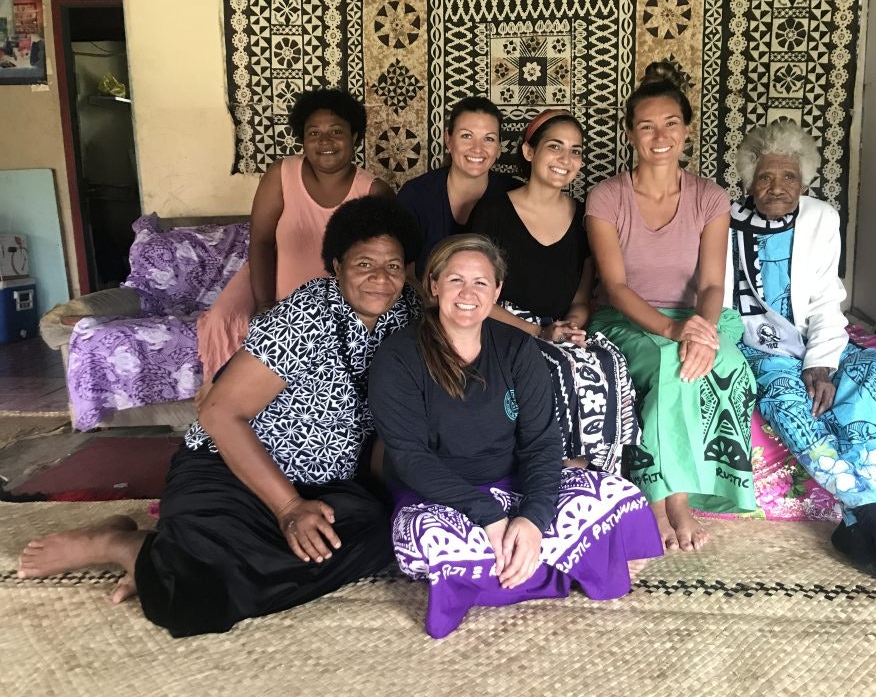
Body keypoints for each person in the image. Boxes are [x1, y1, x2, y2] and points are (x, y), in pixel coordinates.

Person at [18, 197, 423, 637]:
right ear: (336, 264)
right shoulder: (306, 315)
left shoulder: (405, 316)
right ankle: (125, 544)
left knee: (386, 536)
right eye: (365, 264)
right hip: (232, 471)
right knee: (193, 601)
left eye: (394, 266)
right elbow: (219, 413)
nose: (381, 278)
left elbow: (470, 316)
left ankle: (175, 555)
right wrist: (288, 507)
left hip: (329, 484)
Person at [367, 234, 663, 639]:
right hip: (437, 495)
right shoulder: (398, 356)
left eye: (481, 283)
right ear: (434, 285)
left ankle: (525, 564)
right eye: (455, 280)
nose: (468, 293)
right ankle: (569, 568)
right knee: (439, 545)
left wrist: (533, 519)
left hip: (513, 483)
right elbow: (408, 457)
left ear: (497, 292)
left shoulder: (517, 348)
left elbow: (542, 441)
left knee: (617, 495)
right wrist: (488, 516)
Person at [728, 119, 876, 582]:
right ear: (749, 180)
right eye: (765, 176)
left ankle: (855, 524)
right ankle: (870, 511)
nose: (777, 187)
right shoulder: (724, 221)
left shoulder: (821, 217)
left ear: (804, 181)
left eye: (789, 177)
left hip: (814, 340)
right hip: (760, 346)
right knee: (786, 402)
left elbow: (825, 297)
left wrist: (821, 363)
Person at [586, 61, 757, 553]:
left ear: (687, 130)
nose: (659, 136)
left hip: (698, 314)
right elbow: (615, 286)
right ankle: (666, 498)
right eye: (646, 126)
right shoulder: (607, 197)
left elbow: (710, 281)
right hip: (627, 317)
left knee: (725, 360)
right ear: (630, 134)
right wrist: (674, 332)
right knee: (666, 360)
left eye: (671, 124)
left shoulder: (710, 197)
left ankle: (701, 489)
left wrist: (701, 329)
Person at [468, 108, 641, 473]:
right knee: (558, 366)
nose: (566, 159)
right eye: (555, 147)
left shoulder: (584, 217)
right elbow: (477, 296)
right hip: (503, 326)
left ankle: (603, 473)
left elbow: (581, 298)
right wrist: (538, 332)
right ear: (529, 153)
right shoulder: (493, 211)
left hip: (555, 326)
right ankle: (555, 469)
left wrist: (572, 327)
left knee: (607, 361)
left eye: (576, 151)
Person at [198, 88, 392, 383]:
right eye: (313, 133)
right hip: (270, 275)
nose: (324, 141)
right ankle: (226, 402)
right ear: (302, 139)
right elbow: (262, 241)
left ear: (354, 137)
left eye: (336, 131)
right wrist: (265, 303)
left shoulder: (373, 191)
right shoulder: (281, 174)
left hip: (332, 292)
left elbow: (378, 263)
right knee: (221, 320)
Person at [397, 96, 519, 279]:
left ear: (498, 147)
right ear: (448, 139)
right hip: (428, 303)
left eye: (489, 138)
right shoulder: (415, 195)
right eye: (466, 136)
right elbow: (401, 271)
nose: (477, 148)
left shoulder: (515, 194)